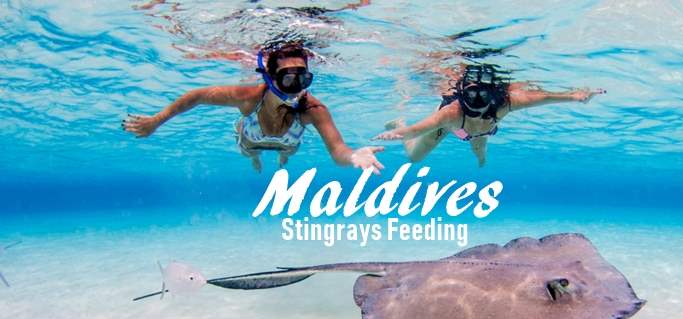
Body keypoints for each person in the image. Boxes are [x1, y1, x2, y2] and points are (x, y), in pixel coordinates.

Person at [123, 42, 384, 173]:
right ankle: (257, 158)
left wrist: (352, 156)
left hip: (287, 142)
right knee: (249, 153)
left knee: (288, 152)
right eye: (288, 78)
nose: (297, 88)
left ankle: (281, 158)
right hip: (252, 139)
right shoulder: (248, 97)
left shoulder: (312, 109)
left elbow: (337, 149)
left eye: (303, 78)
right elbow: (197, 96)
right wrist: (156, 120)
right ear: (270, 79)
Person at [373, 64, 604, 167]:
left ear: (493, 94)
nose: (479, 101)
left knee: (480, 151)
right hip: (455, 127)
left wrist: (576, 96)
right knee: (414, 157)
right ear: (462, 93)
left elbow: (544, 98)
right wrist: (395, 132)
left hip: (482, 131)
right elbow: (417, 130)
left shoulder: (505, 103)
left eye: (484, 94)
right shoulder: (450, 113)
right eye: (472, 94)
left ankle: (481, 160)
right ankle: (398, 118)